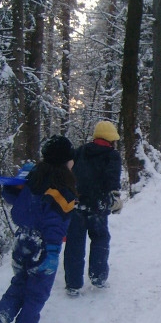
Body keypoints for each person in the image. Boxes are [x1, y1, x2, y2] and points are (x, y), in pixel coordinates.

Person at [0, 136, 76, 323]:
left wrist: (19, 180)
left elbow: (10, 196)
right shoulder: (62, 189)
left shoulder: (35, 179)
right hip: (42, 248)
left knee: (19, 284)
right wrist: (52, 253)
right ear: (65, 161)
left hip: (22, 241)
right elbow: (55, 225)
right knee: (36, 295)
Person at [64, 120, 122, 295]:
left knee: (74, 244)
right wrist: (115, 197)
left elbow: (68, 171)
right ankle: (98, 278)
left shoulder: (80, 151)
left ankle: (73, 285)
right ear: (111, 139)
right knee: (100, 239)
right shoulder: (112, 155)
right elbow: (112, 179)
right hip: (98, 206)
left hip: (77, 204)